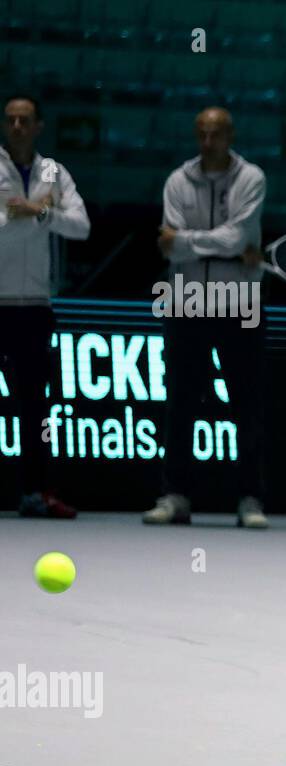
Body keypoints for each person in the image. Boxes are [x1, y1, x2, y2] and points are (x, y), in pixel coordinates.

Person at [144, 106, 269, 529]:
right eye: (201, 134)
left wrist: (187, 241)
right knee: (181, 402)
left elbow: (226, 235)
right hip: (187, 300)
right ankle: (174, 496)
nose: (207, 142)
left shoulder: (252, 178)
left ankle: (250, 498)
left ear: (230, 135)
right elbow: (171, 247)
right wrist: (228, 247)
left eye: (215, 134)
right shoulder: (177, 181)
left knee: (245, 404)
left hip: (241, 302)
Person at [0, 94, 91, 518]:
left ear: (39, 126)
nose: (17, 126)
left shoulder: (53, 171)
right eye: (11, 120)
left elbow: (82, 226)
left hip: (35, 305)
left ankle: (35, 492)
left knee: (36, 406)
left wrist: (38, 215)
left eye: (25, 120)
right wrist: (28, 217)